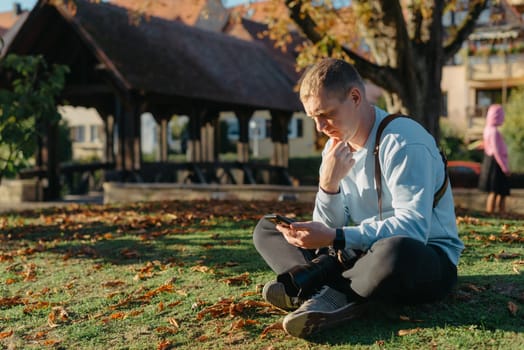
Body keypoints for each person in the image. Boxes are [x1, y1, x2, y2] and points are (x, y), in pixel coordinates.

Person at [252, 58, 463, 338]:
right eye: (313, 117)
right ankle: (335, 289)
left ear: (355, 97)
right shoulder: (335, 146)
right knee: (269, 229)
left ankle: (329, 292)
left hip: (424, 257)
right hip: (356, 254)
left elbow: (415, 229)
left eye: (326, 114)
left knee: (397, 251)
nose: (320, 127)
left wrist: (337, 237)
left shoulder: (402, 141)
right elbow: (328, 230)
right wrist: (328, 186)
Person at [478, 104, 510, 214]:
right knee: (498, 191)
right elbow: (496, 151)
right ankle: (499, 212)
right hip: (496, 164)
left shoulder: (487, 129)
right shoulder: (494, 131)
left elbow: (489, 145)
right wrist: (504, 167)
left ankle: (492, 213)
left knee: (494, 191)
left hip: (489, 161)